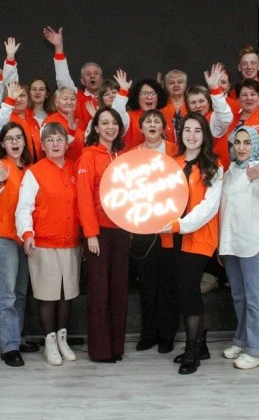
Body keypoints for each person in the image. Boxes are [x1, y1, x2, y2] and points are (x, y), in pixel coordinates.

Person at [160, 113, 223, 375]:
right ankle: (200, 344)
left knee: (188, 291)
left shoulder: (214, 165)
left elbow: (209, 207)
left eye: (198, 130)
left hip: (198, 236)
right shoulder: (172, 162)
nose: (192, 135)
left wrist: (181, 225)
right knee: (183, 290)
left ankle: (191, 351)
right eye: (188, 130)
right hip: (171, 236)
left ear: (204, 134)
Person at [16, 123, 81, 366]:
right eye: (50, 140)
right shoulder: (34, 172)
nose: (55, 144)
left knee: (67, 293)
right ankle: (50, 341)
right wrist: (27, 233)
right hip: (44, 243)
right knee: (47, 294)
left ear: (66, 143)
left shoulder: (75, 168)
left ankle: (62, 338)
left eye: (59, 139)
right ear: (42, 145)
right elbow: (24, 207)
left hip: (71, 242)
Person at [76, 107, 129, 363]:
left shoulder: (122, 156)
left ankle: (116, 347)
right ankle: (100, 350)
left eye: (114, 123)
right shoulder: (88, 156)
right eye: (104, 123)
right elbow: (84, 197)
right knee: (99, 293)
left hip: (121, 232)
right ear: (96, 128)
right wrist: (91, 234)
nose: (110, 127)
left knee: (119, 291)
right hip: (98, 233)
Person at [218, 126, 259, 369]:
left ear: (255, 145)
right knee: (238, 296)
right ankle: (242, 340)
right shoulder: (230, 171)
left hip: (251, 242)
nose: (241, 147)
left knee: (254, 297)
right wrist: (222, 244)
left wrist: (253, 178)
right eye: (237, 142)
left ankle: (258, 349)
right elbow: (224, 209)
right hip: (231, 243)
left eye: (247, 142)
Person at [130, 110, 179, 354]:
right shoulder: (132, 155)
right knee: (147, 284)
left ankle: (167, 335)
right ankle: (148, 334)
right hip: (142, 229)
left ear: (163, 127)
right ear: (141, 128)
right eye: (147, 121)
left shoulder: (176, 152)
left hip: (170, 228)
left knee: (168, 284)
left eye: (156, 121)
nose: (152, 124)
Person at [0, 123, 33, 367]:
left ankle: (17, 337)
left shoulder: (30, 169)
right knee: (7, 293)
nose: (15, 142)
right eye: (10, 138)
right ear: (2, 143)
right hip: (1, 236)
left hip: (23, 238)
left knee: (21, 292)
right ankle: (9, 346)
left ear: (24, 142)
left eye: (19, 138)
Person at [43, 26, 102, 126]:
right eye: (88, 74)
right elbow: (62, 78)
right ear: (82, 81)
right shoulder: (75, 95)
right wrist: (59, 48)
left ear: (101, 78)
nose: (92, 76)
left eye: (96, 73)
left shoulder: (110, 98)